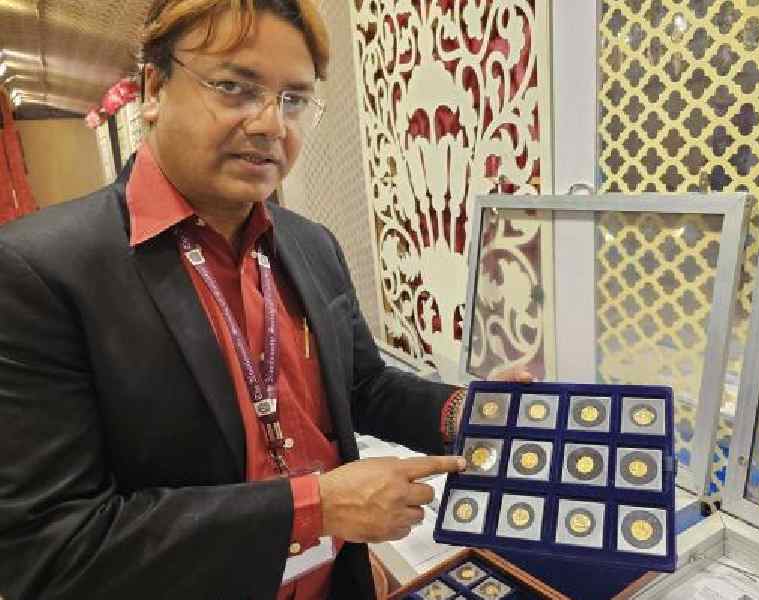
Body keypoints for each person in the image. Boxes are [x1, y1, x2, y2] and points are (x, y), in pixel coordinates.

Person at [0, 1, 530, 598]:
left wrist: (466, 413)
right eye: (234, 87)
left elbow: (362, 386)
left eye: (294, 99)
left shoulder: (310, 244)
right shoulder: (40, 272)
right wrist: (315, 508)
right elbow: (52, 548)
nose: (271, 125)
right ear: (153, 88)